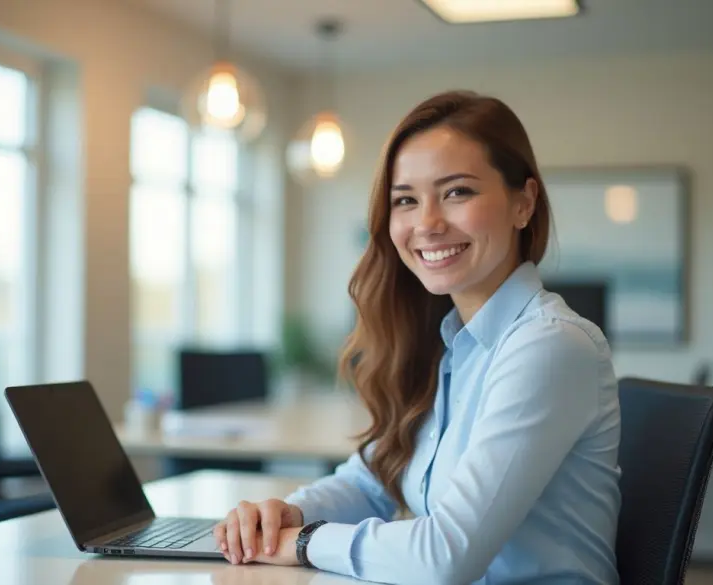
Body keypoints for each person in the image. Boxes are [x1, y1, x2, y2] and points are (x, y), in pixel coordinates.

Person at [213, 90, 622, 585]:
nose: (427, 223)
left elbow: (444, 556)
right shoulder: (451, 346)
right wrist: (283, 517)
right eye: (406, 200)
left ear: (523, 203)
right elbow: (372, 480)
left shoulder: (549, 347)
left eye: (457, 192)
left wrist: (302, 544)